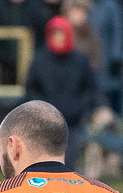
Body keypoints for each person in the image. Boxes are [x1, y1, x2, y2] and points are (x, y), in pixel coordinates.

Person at [24, 16, 97, 169]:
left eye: (62, 34)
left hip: (74, 122)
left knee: (69, 165)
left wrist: (78, 108)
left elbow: (90, 89)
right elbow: (31, 89)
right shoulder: (39, 61)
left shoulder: (81, 61)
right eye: (55, 34)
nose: (59, 38)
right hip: (45, 123)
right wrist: (44, 110)